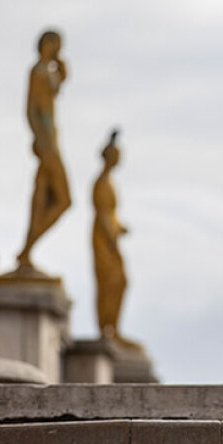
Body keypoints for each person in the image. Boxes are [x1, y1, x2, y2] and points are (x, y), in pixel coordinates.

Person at [16, 30, 71, 269]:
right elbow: (30, 109)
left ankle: (27, 251)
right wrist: (39, 138)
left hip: (52, 139)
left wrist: (62, 68)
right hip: (47, 143)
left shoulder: (48, 73)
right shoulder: (37, 72)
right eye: (55, 44)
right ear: (45, 44)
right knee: (60, 199)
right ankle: (26, 250)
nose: (57, 49)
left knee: (43, 197)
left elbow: (59, 84)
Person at [92, 129, 140, 351]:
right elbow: (103, 217)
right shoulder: (102, 183)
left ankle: (113, 328)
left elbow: (110, 216)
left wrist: (120, 229)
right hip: (104, 240)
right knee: (113, 281)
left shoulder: (108, 182)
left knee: (117, 282)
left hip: (109, 237)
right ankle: (108, 329)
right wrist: (113, 242)